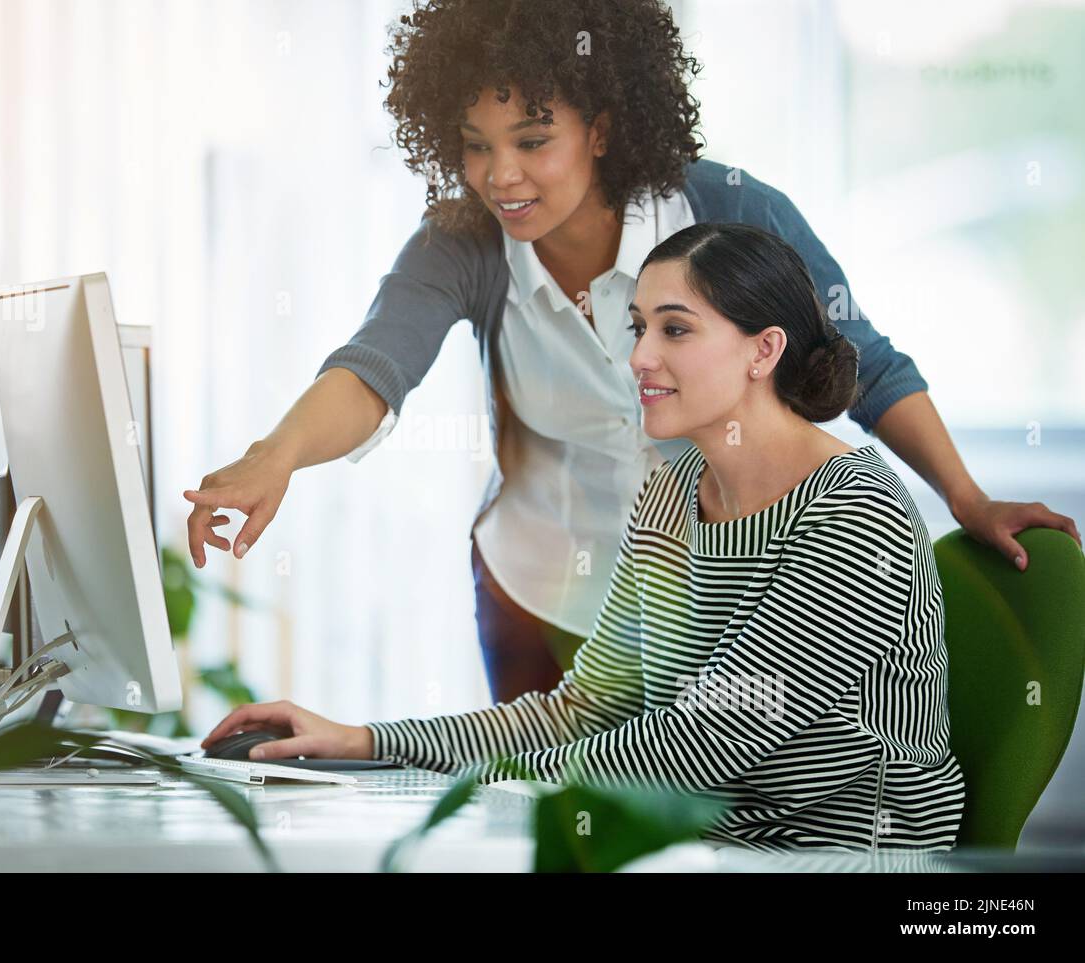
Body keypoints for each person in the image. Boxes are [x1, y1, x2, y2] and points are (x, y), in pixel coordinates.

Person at [183, 0, 1079, 705]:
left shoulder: (728, 213)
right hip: (541, 593)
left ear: (603, 128)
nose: (502, 176)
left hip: (726, 593)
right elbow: (375, 365)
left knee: (708, 816)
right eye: (475, 146)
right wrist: (276, 458)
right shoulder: (461, 242)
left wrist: (965, 497)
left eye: (533, 140)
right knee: (549, 826)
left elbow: (866, 366)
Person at [201, 222, 967, 853]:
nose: (637, 356)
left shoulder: (853, 510)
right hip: (704, 847)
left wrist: (483, 784)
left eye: (675, 329)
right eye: (638, 327)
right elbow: (585, 710)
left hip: (840, 855)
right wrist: (365, 741)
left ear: (762, 350)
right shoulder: (673, 494)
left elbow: (705, 744)